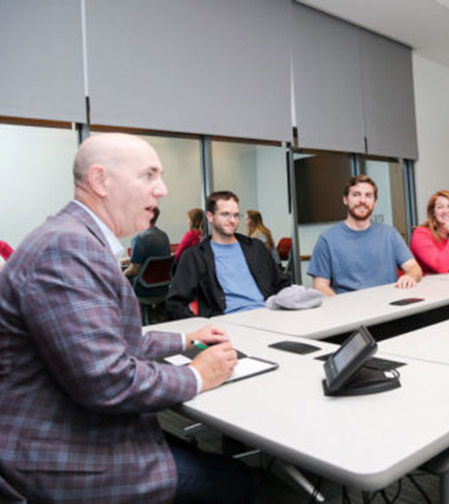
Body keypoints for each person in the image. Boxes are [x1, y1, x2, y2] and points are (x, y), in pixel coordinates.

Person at [0, 133, 256, 503]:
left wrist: (186, 340)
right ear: (100, 180)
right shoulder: (67, 248)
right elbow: (108, 381)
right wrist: (199, 373)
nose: (163, 189)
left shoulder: (76, 238)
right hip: (60, 456)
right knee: (237, 482)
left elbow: (111, 338)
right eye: (148, 175)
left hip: (77, 429)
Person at [166, 191, 289, 319]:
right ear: (210, 216)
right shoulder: (195, 257)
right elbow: (175, 304)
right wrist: (200, 328)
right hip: (227, 322)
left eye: (236, 215)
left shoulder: (256, 248)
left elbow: (282, 284)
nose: (232, 221)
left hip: (267, 315)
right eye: (225, 215)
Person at [308, 175, 422, 295]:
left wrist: (410, 277)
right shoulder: (327, 239)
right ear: (345, 199)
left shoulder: (390, 234)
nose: (362, 200)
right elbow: (320, 286)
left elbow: (414, 268)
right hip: (350, 309)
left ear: (374, 202)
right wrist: (341, 308)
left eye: (368, 195)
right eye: (356, 194)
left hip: (389, 306)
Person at [124, 206, 171, 295]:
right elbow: (152, 258)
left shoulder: (139, 239)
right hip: (162, 287)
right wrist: (129, 260)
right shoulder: (164, 236)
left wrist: (120, 275)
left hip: (144, 288)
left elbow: (134, 269)